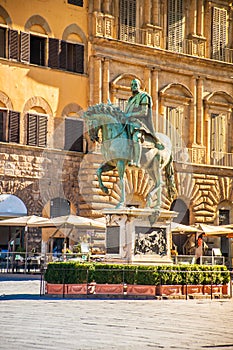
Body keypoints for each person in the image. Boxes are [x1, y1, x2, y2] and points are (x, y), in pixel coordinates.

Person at [125, 78, 164, 167]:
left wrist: (131, 114)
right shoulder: (131, 99)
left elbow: (144, 112)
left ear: (139, 86)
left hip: (139, 124)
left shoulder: (144, 97)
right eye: (132, 85)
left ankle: (136, 161)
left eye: (135, 84)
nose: (133, 86)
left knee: (135, 137)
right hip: (129, 123)